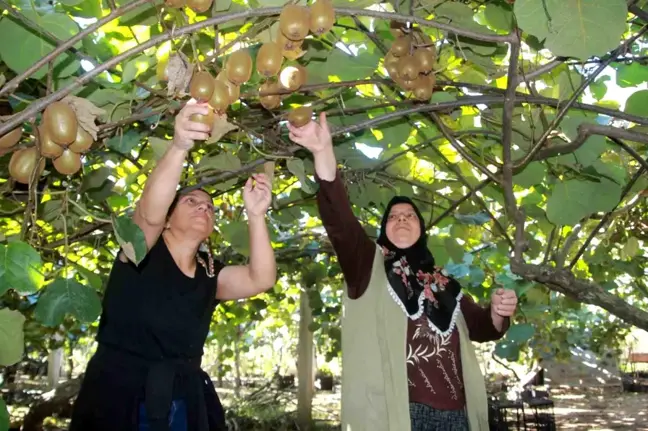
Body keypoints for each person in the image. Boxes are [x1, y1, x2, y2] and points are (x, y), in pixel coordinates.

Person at [288, 113, 518, 431]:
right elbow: (340, 220)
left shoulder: (444, 283)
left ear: (421, 229)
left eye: (410, 215)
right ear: (384, 229)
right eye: (393, 217)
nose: (402, 219)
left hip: (457, 416)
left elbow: (481, 327)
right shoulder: (366, 266)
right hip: (398, 416)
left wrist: (498, 312)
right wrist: (322, 151)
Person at [70, 100, 277, 431]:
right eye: (190, 201)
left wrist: (255, 215)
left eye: (209, 206)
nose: (203, 208)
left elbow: (261, 278)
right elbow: (149, 214)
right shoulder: (139, 251)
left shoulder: (210, 271)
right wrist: (180, 144)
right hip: (118, 398)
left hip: (180, 400)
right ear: (167, 220)